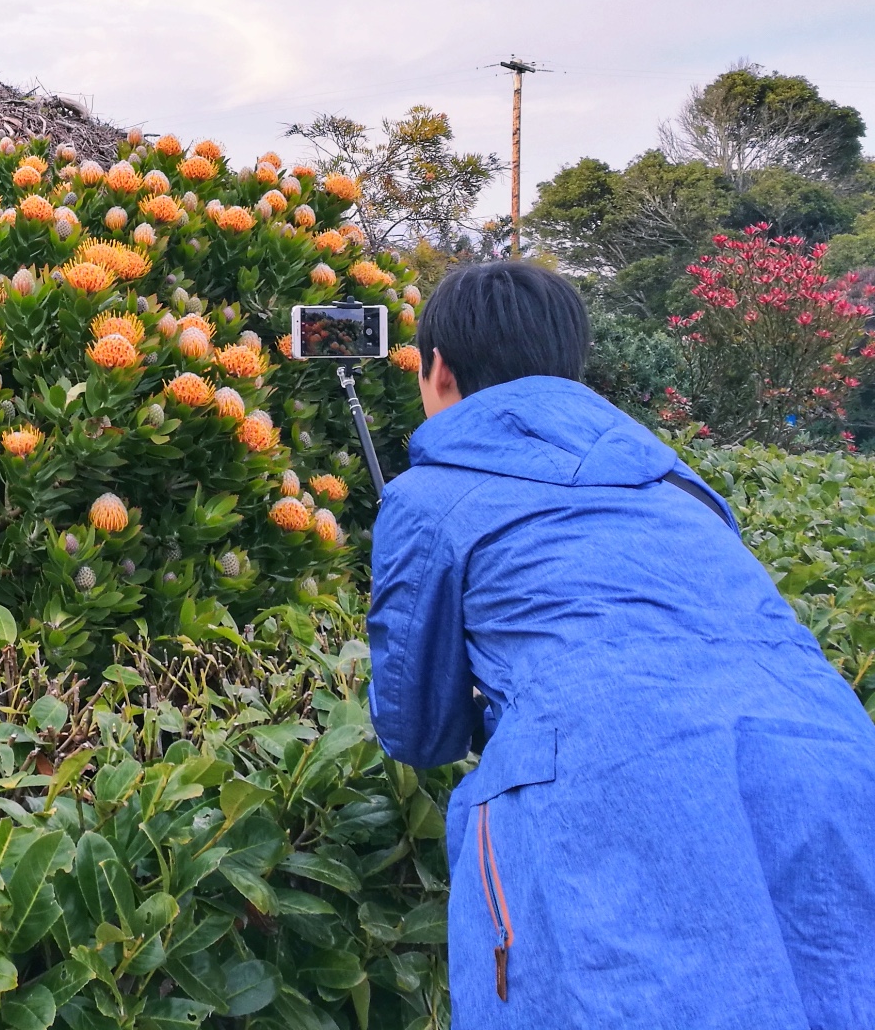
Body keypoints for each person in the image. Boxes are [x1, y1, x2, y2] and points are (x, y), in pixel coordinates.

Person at [368, 260, 875, 1028]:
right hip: (832, 754)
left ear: (437, 370)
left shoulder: (429, 497)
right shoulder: (680, 487)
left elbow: (416, 731)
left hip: (614, 787)